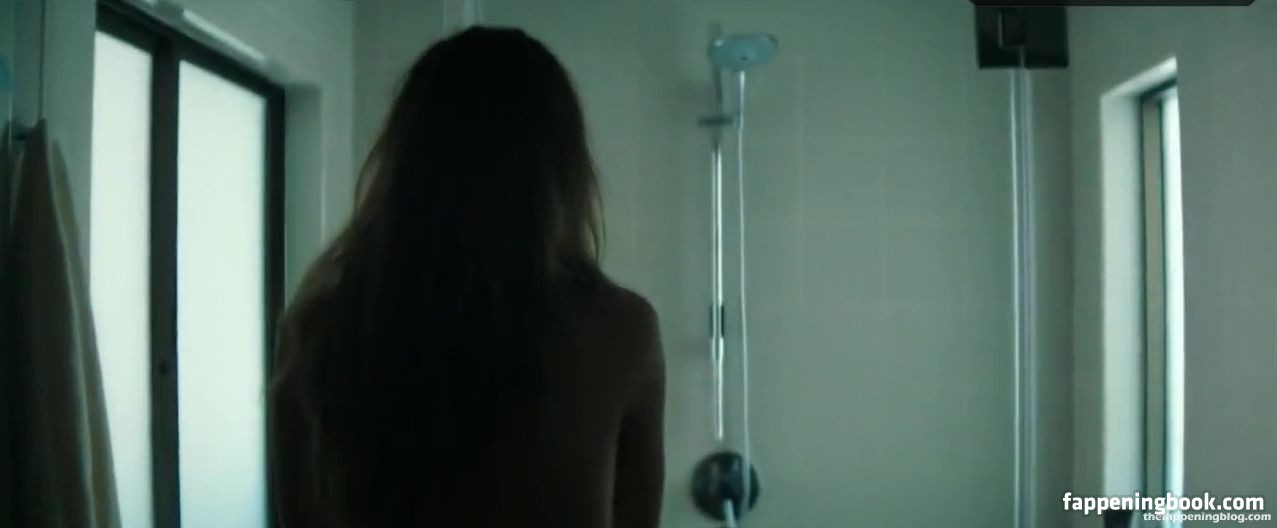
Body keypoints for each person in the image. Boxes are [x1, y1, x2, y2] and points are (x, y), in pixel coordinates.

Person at [267, 26, 665, 528]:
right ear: (563, 168)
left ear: (406, 159)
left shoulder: (322, 326)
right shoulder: (619, 332)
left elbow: (300, 516)